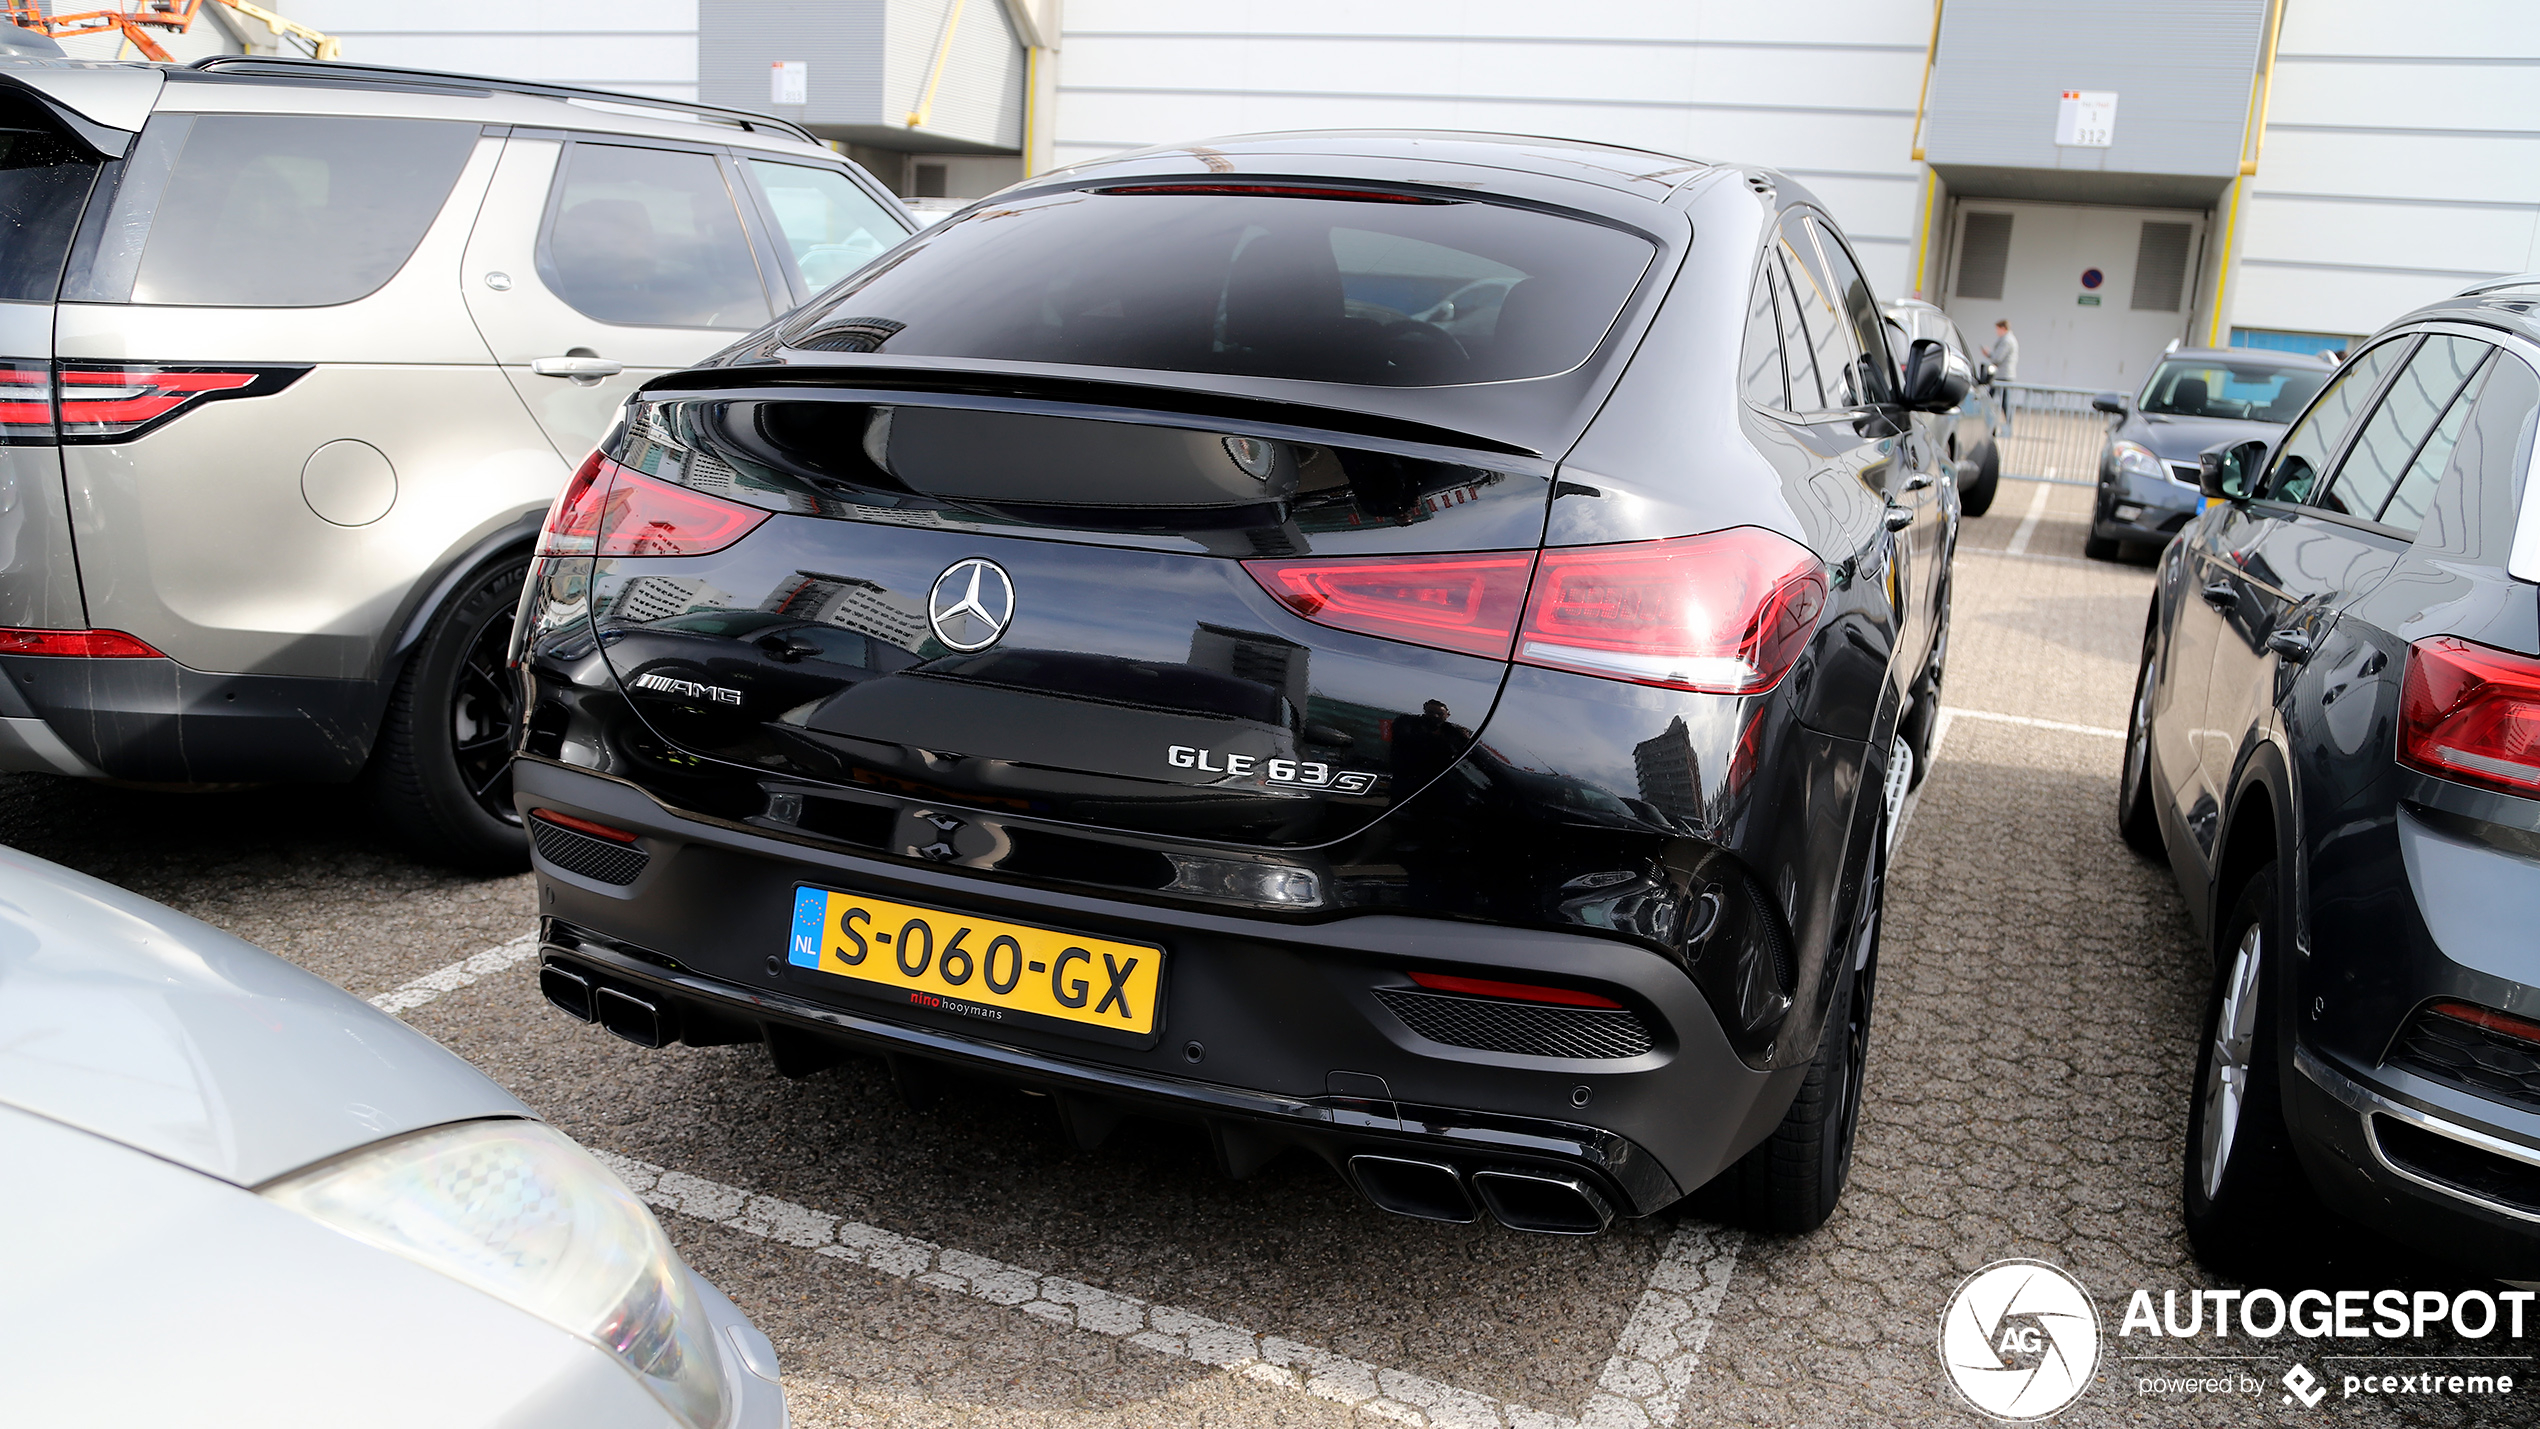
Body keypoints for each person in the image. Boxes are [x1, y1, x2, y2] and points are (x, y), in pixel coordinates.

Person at [1985, 319, 2020, 434]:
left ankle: (1995, 425)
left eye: (1997, 329)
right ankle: (1996, 425)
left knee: (1992, 400)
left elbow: (1997, 358)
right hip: (2005, 375)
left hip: (2003, 376)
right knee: (2001, 401)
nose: (1996, 332)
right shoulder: (2008, 339)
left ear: (2003, 328)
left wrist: (1989, 353)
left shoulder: (2007, 340)